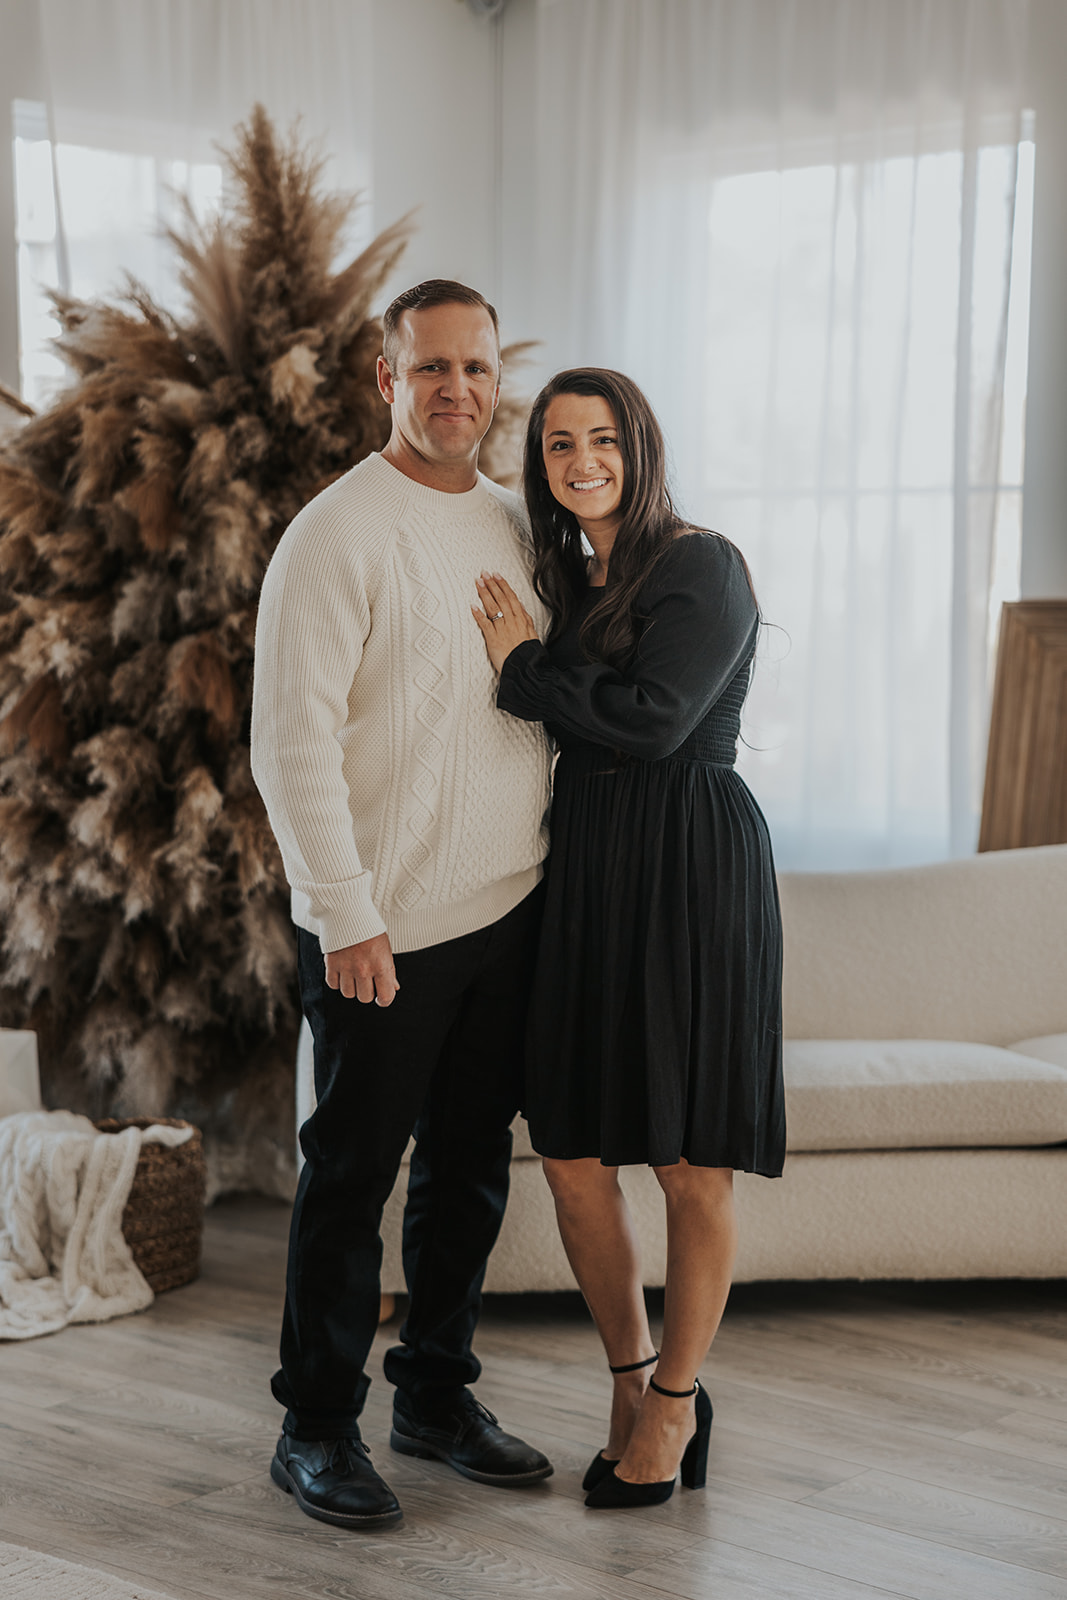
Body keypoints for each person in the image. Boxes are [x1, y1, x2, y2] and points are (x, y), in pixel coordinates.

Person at [251, 280, 555, 1531]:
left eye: (475, 368)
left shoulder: (513, 524)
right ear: (387, 378)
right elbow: (291, 748)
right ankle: (316, 1423)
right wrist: (345, 915)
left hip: (508, 907)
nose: (456, 391)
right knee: (350, 1175)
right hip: (382, 928)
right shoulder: (335, 534)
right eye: (430, 368)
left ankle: (432, 1394)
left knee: (469, 1171)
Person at [472, 367, 785, 1510]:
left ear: (638, 446)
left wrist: (524, 672)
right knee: (568, 1152)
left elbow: (654, 724)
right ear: (541, 465)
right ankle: (628, 1372)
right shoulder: (565, 570)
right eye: (558, 445)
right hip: (590, 869)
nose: (581, 462)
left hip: (690, 869)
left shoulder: (699, 561)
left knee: (688, 1162)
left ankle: (674, 1403)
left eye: (601, 439)